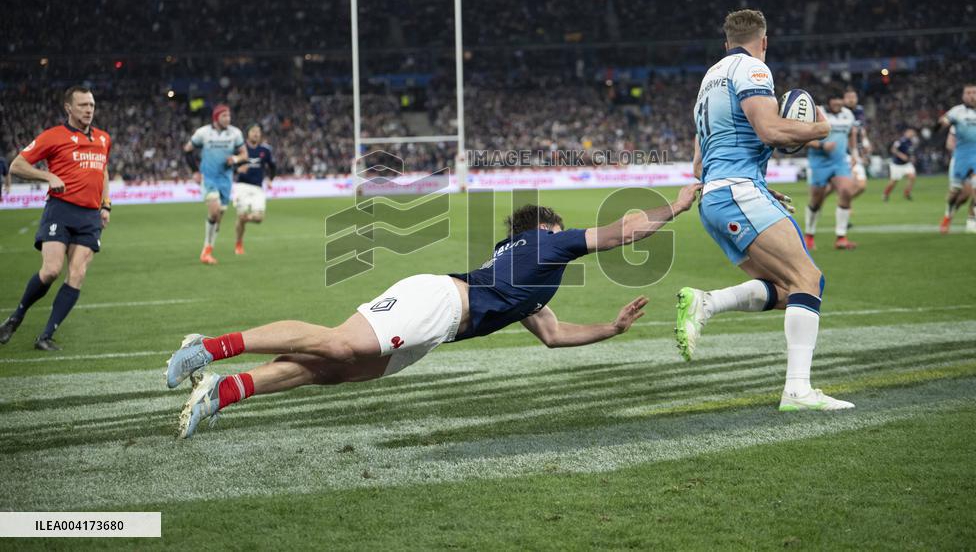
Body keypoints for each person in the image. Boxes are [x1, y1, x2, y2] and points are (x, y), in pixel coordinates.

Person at [166, 184, 701, 438]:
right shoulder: (547, 246)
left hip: (437, 329)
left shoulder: (529, 273)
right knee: (338, 343)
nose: (565, 238)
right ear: (545, 229)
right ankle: (208, 348)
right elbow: (624, 231)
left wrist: (610, 327)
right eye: (559, 230)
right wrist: (674, 207)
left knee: (331, 370)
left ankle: (222, 391)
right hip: (438, 302)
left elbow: (553, 335)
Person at [679, 8, 853, 412]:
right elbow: (771, 131)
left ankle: (708, 303)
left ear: (726, 43)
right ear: (765, 41)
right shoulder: (755, 70)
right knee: (808, 276)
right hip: (738, 193)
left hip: (717, 198)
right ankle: (798, 391)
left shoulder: (708, 81)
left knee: (796, 290)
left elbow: (699, 165)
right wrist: (820, 130)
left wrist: (758, 186)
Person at [0, 87, 112, 351]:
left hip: (89, 216)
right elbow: (17, 165)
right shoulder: (53, 136)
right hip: (60, 210)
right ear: (68, 108)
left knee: (77, 273)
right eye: (83, 105)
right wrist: (47, 176)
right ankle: (17, 316)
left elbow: (103, 171)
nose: (88, 110)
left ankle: (45, 336)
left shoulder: (103, 139)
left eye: (92, 105)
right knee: (51, 270)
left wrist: (106, 205)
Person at [183, 104, 247, 264]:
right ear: (216, 117)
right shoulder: (203, 133)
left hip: (225, 180)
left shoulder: (235, 133)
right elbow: (187, 149)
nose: (228, 119)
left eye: (229, 116)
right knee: (214, 210)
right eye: (224, 116)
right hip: (209, 178)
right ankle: (205, 252)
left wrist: (236, 159)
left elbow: (244, 154)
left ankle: (208, 250)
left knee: (218, 217)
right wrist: (195, 171)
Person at [938, 85, 976, 239]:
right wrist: (941, 122)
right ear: (963, 96)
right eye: (968, 93)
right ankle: (948, 216)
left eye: (974, 92)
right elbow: (947, 131)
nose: (971, 96)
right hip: (961, 157)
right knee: (956, 193)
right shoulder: (957, 113)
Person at [803, 96, 860, 250]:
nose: (837, 102)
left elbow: (851, 134)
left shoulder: (848, 114)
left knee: (847, 191)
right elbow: (802, 138)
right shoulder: (817, 112)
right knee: (816, 200)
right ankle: (809, 236)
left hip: (840, 162)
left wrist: (854, 153)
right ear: (829, 101)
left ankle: (841, 237)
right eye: (834, 99)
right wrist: (822, 146)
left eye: (840, 99)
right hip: (818, 162)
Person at [232, 124, 276, 255]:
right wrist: (237, 169)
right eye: (253, 131)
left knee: (258, 218)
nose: (256, 134)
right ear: (248, 133)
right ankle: (239, 243)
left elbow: (272, 166)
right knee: (241, 215)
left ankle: (242, 219)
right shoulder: (240, 149)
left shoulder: (265, 150)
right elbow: (228, 164)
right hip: (241, 186)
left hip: (258, 188)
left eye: (258, 132)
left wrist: (270, 179)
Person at [844, 89, 869, 200]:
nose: (851, 100)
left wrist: (866, 143)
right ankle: (845, 206)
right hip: (843, 153)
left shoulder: (859, 111)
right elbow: (852, 132)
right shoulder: (841, 112)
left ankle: (844, 202)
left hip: (855, 152)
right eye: (849, 97)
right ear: (844, 99)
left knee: (862, 186)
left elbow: (861, 130)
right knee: (852, 182)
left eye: (853, 97)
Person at [882, 127, 918, 201]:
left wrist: (912, 158)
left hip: (906, 164)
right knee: (893, 182)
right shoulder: (900, 141)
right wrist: (901, 155)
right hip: (897, 165)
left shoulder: (911, 142)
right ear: (906, 133)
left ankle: (907, 193)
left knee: (912, 176)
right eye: (910, 132)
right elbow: (893, 149)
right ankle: (885, 194)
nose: (912, 134)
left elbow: (910, 152)